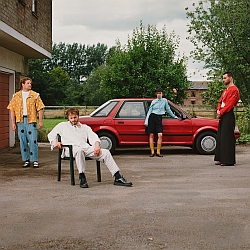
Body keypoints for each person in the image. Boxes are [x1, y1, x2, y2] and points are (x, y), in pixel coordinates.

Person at [47, 108, 132, 188]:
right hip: (70, 149)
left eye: (75, 117)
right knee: (79, 151)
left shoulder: (85, 127)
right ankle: (82, 177)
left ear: (78, 117)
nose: (73, 120)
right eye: (71, 118)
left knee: (106, 152)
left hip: (85, 147)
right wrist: (56, 142)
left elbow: (93, 137)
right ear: (68, 118)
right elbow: (51, 135)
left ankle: (118, 177)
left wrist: (96, 146)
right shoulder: (62, 126)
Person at [7, 77, 45, 168]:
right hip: (20, 120)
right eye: (28, 83)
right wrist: (13, 123)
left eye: (30, 83)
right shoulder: (16, 96)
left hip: (31, 120)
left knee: (33, 140)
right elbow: (12, 110)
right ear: (23, 84)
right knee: (22, 140)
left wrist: (40, 121)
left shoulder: (35, 95)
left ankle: (34, 160)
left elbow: (40, 108)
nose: (30, 85)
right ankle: (26, 159)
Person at [214, 72, 240, 166]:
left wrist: (221, 112)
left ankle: (228, 160)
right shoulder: (225, 90)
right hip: (222, 115)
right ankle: (221, 158)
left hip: (228, 115)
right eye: (223, 78)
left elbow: (230, 104)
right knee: (221, 137)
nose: (223, 80)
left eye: (225, 78)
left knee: (227, 138)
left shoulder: (234, 90)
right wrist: (218, 110)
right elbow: (220, 101)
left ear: (230, 78)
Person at [144, 87, 178, 157]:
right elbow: (149, 111)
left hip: (159, 118)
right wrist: (146, 121)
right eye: (157, 93)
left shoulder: (164, 101)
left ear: (162, 94)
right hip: (152, 117)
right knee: (151, 135)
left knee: (160, 135)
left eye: (160, 93)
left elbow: (168, 109)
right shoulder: (154, 101)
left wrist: (174, 116)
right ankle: (152, 152)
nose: (158, 95)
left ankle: (158, 152)